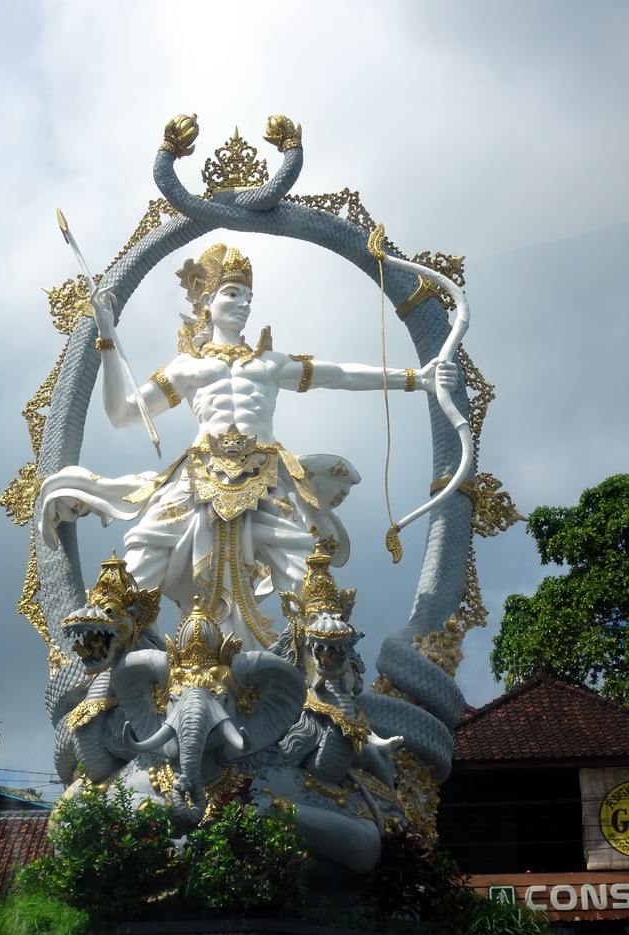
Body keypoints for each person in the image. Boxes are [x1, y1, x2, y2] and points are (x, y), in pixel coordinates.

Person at [40, 243, 457, 649]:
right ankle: (111, 618)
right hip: (201, 470)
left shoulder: (268, 364)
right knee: (151, 538)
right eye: (233, 293)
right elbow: (122, 413)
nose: (244, 304)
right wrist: (107, 336)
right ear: (208, 301)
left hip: (265, 472)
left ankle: (319, 635)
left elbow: (341, 374)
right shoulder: (189, 367)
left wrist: (415, 378)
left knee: (297, 553)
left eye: (248, 297)